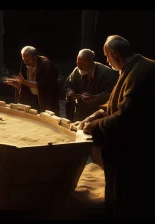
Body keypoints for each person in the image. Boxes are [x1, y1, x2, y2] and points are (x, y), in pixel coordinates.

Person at [79, 35, 155, 219]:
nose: (106, 60)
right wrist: (96, 114)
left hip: (135, 153)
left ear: (114, 53)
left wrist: (93, 126)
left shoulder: (141, 72)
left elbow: (125, 118)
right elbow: (114, 102)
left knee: (128, 202)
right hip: (128, 150)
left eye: (106, 55)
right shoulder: (132, 68)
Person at [65, 49, 118, 122]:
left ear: (91, 61)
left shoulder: (107, 73)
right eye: (78, 63)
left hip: (98, 115)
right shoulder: (77, 70)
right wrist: (70, 92)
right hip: (80, 113)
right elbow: (69, 84)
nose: (79, 67)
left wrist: (95, 97)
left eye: (83, 64)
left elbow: (112, 93)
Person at [4, 46, 60, 115]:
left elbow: (43, 85)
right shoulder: (24, 63)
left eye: (28, 60)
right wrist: (16, 84)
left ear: (35, 57)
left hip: (45, 99)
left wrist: (24, 82)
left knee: (46, 119)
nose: (25, 62)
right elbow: (24, 85)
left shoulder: (46, 65)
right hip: (32, 98)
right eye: (24, 60)